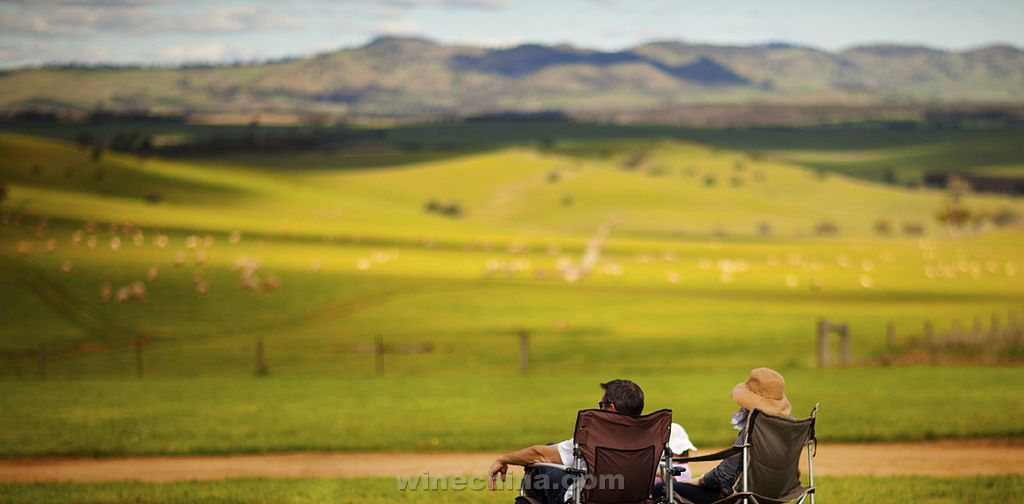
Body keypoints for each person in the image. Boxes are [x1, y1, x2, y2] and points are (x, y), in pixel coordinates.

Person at [487, 379, 645, 504]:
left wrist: (503, 458)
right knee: (551, 447)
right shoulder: (650, 440)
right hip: (632, 498)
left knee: (540, 468)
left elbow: (538, 455)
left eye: (600, 405)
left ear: (610, 408)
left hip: (582, 500)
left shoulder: (592, 438)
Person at [654, 367, 792, 504]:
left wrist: (699, 480)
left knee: (661, 488)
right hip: (777, 494)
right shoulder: (788, 430)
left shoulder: (752, 432)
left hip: (736, 496)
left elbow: (723, 475)